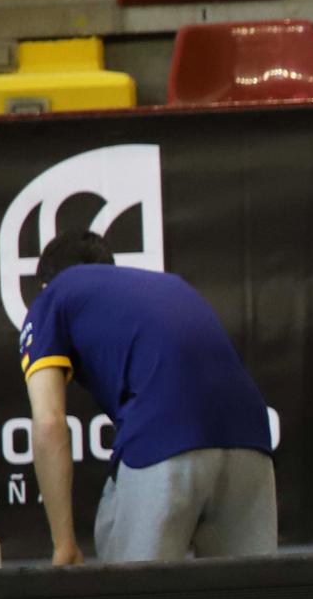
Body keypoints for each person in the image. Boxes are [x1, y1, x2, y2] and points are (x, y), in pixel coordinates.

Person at [17, 231, 275, 565]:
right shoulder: (169, 284)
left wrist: (63, 544)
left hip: (164, 435)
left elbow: (48, 422)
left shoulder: (52, 298)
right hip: (251, 437)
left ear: (44, 284)